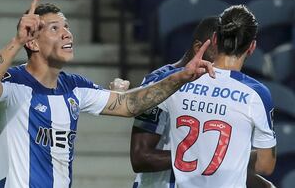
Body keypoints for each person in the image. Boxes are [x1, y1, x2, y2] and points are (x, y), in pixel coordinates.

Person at [0, 0, 215, 188]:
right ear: (32, 41)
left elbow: (130, 105)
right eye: (55, 28)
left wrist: (181, 77)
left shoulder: (75, 87)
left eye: (67, 26)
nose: (67, 33)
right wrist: (16, 41)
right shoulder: (16, 82)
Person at [112, 16, 276, 188]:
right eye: (218, 53)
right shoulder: (159, 84)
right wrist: (199, 155)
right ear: (199, 47)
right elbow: (140, 156)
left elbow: (218, 161)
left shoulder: (224, 90)